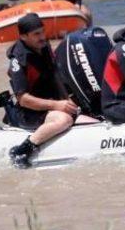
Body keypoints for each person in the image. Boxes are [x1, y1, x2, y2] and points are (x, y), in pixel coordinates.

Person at [7, 13, 80, 168]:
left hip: (50, 103)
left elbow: (55, 76)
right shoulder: (18, 60)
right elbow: (23, 99)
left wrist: (69, 99)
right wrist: (57, 105)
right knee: (64, 120)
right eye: (36, 34)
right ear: (23, 37)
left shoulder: (43, 46)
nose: (42, 37)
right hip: (29, 112)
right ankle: (22, 151)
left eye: (42, 31)